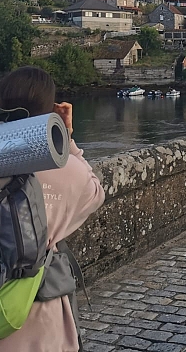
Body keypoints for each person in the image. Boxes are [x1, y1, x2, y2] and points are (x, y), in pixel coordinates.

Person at [0, 66, 105, 352]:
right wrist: (67, 139)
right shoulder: (68, 169)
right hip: (43, 313)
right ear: (50, 111)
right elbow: (95, 193)